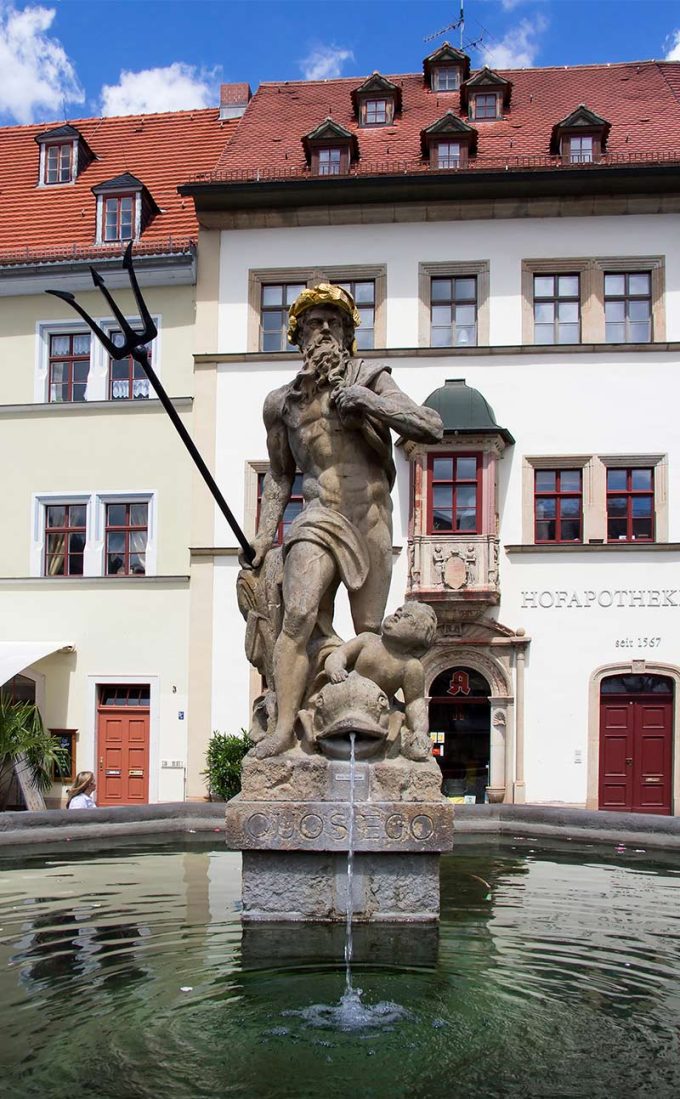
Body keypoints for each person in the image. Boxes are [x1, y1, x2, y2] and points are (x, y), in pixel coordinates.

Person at [248, 285, 442, 758]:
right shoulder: (282, 403)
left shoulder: (371, 378)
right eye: (315, 323)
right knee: (297, 616)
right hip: (317, 516)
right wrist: (261, 536)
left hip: (371, 516)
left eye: (335, 323)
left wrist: (368, 402)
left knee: (371, 632)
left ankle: (372, 736)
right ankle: (281, 730)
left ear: (350, 335)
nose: (326, 331)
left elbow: (430, 426)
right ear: (298, 336)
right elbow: (279, 476)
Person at [323, 602, 438, 761]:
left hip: (376, 712)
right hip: (345, 699)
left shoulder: (411, 666)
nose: (398, 613)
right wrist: (335, 668)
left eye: (407, 616)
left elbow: (415, 702)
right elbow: (339, 655)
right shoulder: (368, 640)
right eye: (399, 610)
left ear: (418, 636)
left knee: (395, 725)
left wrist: (420, 731)